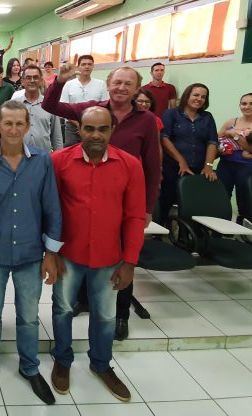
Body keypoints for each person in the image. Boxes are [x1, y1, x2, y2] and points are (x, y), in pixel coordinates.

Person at [43, 64, 161, 340]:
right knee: (84, 250)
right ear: (108, 84)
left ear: (137, 88)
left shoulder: (146, 120)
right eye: (117, 82)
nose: (121, 87)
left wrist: (147, 207)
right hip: (85, 183)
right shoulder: (92, 108)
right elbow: (51, 105)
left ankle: (121, 315)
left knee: (119, 258)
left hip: (122, 195)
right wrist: (59, 82)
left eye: (128, 83)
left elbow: (153, 166)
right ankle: (84, 300)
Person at [0, 100, 62, 405]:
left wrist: (51, 253)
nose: (13, 129)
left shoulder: (42, 161)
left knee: (29, 317)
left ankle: (30, 367)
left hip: (30, 254)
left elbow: (52, 207)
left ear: (28, 126)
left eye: (19, 123)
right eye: (7, 123)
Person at [50, 106, 145, 403]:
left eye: (102, 129)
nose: (95, 135)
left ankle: (101, 364)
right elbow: (49, 210)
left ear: (112, 131)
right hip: (68, 253)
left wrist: (130, 262)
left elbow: (135, 217)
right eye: (89, 129)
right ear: (79, 130)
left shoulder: (130, 165)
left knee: (105, 316)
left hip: (109, 257)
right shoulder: (59, 161)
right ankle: (62, 360)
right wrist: (50, 252)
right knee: (63, 309)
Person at [158, 83, 219, 224]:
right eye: (196, 95)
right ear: (187, 96)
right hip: (173, 167)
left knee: (192, 204)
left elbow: (212, 142)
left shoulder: (207, 117)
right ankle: (160, 231)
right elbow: (164, 138)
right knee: (166, 200)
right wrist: (181, 161)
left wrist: (208, 166)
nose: (199, 99)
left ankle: (187, 233)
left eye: (203, 97)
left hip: (198, 168)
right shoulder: (172, 113)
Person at [216, 93, 252, 217]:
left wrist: (234, 135)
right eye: (244, 103)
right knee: (220, 199)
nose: (247, 106)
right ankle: (219, 227)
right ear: (240, 105)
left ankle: (243, 227)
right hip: (225, 165)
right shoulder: (231, 121)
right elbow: (216, 140)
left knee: (245, 202)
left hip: (247, 168)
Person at [10, 65, 63, 152]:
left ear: (41, 81)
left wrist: (59, 155)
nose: (32, 81)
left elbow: (57, 136)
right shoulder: (13, 105)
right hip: (18, 156)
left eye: (35, 77)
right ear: (22, 81)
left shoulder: (50, 105)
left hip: (43, 156)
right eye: (28, 78)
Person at [58, 55, 108, 147]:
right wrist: (78, 124)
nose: (87, 66)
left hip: (95, 126)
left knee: (93, 150)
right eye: (83, 64)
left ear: (93, 66)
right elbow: (63, 107)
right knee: (71, 151)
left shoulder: (101, 84)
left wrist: (87, 125)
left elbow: (105, 106)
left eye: (89, 64)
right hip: (72, 126)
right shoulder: (69, 84)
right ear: (78, 66)